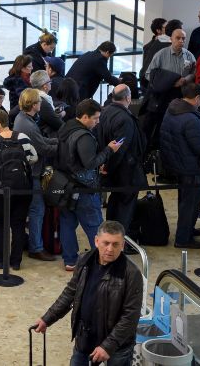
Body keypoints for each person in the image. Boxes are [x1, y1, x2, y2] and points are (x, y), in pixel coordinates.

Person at [32, 221, 143, 366]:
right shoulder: (85, 261)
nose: (110, 249)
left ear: (122, 245)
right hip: (85, 336)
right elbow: (70, 293)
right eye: (106, 243)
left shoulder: (131, 274)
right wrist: (47, 319)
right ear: (96, 241)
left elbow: (130, 316)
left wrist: (108, 346)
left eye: (116, 244)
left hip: (117, 345)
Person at [56, 99, 123, 271]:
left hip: (66, 185)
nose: (98, 122)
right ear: (85, 117)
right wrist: (109, 150)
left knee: (67, 224)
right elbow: (90, 163)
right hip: (84, 189)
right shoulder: (84, 136)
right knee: (96, 227)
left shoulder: (65, 128)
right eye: (95, 118)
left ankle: (70, 261)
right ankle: (103, 261)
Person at [160, 83, 200, 248]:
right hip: (191, 167)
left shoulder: (173, 109)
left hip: (179, 163)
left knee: (185, 200)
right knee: (191, 203)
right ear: (197, 97)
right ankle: (183, 239)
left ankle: (187, 229)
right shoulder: (192, 118)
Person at [0, 108, 38, 270]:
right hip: (23, 188)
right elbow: (34, 157)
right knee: (18, 224)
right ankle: (16, 261)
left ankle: (0, 260)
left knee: (1, 224)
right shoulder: (23, 137)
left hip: (1, 190)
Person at [94, 84, 148, 233]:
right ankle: (121, 239)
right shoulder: (125, 119)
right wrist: (108, 167)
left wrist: (104, 165)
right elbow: (120, 149)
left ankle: (110, 234)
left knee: (114, 202)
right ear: (128, 98)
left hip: (110, 168)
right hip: (126, 172)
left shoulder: (104, 112)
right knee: (125, 207)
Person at [12, 89, 58, 262]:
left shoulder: (22, 118)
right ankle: (36, 248)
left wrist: (57, 141)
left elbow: (40, 140)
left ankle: (33, 243)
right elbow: (43, 148)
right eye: (39, 101)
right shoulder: (29, 125)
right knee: (37, 210)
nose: (41, 104)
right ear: (33, 105)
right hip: (33, 173)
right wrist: (64, 146)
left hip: (27, 172)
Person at [142, 20, 196, 151]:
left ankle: (162, 155)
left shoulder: (189, 55)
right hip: (159, 97)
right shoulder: (161, 54)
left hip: (178, 97)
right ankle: (144, 154)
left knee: (168, 130)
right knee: (149, 128)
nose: (181, 41)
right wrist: (166, 81)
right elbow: (148, 74)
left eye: (183, 38)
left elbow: (194, 73)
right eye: (178, 38)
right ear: (171, 39)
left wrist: (186, 79)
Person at [138, 18, 170, 90]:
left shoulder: (168, 43)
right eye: (166, 27)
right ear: (158, 30)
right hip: (151, 82)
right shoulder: (148, 47)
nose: (169, 29)